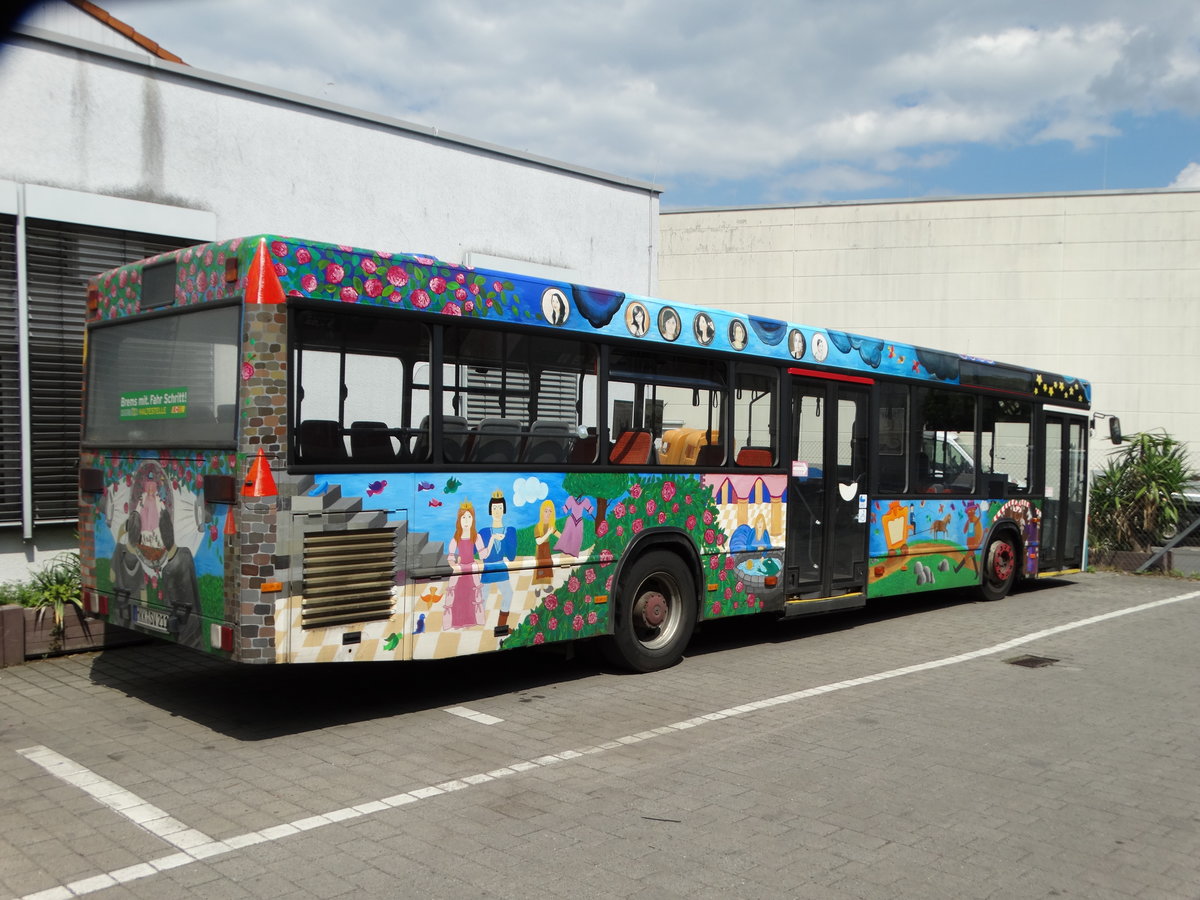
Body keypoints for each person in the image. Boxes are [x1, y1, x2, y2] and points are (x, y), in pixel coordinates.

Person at [478, 491, 517, 629]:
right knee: (483, 597)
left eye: (500, 507)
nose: (497, 511)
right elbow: (479, 554)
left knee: (508, 594)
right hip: (488, 567)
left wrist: (505, 538)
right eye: (494, 508)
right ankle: (479, 625)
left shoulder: (510, 530)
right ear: (490, 510)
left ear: (504, 510)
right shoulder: (483, 532)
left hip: (501, 566)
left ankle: (501, 625)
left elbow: (512, 556)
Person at [446, 501, 485, 628]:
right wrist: (455, 566)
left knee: (471, 597)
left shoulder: (476, 536)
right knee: (459, 597)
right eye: (464, 517)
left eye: (469, 517)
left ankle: (471, 620)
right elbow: (451, 557)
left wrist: (490, 543)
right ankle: (458, 621)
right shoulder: (456, 538)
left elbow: (483, 554)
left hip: (472, 571)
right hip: (461, 572)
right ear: (459, 520)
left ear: (473, 519)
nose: (466, 521)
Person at [533, 499, 559, 590]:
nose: (548, 513)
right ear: (542, 512)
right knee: (540, 567)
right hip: (540, 549)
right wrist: (548, 533)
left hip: (547, 548)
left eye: (550, 511)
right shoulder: (538, 526)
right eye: (546, 511)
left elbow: (558, 534)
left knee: (548, 565)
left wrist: (567, 539)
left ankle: (546, 586)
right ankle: (538, 587)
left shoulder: (551, 525)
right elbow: (538, 541)